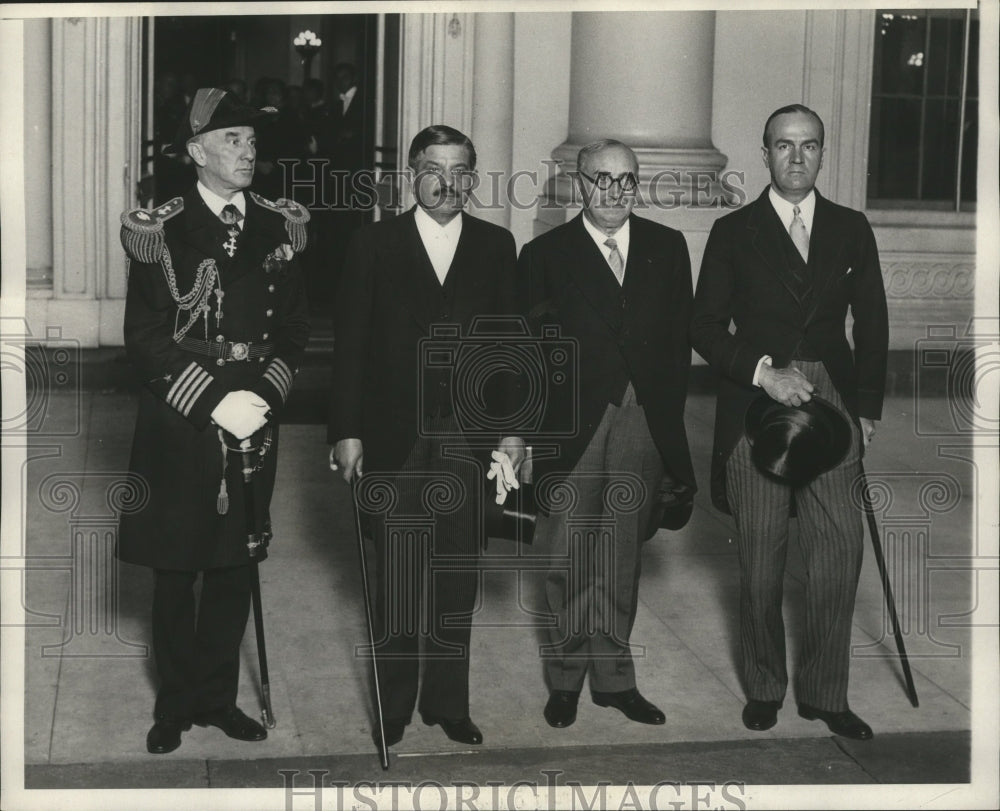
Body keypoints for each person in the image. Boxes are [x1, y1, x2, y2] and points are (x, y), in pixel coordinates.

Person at [118, 87, 310, 754]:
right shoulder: (161, 229)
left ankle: (218, 697)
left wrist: (267, 395)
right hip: (183, 414)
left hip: (253, 408)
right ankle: (173, 702)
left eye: (253, 141)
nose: (248, 150)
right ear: (198, 151)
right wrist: (210, 400)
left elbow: (294, 332)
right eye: (233, 139)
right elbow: (143, 336)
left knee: (235, 562)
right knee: (177, 566)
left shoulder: (279, 225)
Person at [690, 104, 888, 740]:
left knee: (838, 553)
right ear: (765, 153)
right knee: (761, 557)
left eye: (808, 146)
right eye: (783, 145)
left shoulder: (852, 228)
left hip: (832, 395)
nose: (796, 157)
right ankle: (766, 686)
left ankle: (826, 694)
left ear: (823, 154)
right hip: (760, 400)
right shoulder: (733, 230)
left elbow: (874, 324)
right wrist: (763, 372)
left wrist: (868, 407)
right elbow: (702, 326)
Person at [328, 125, 524, 749]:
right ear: (413, 175)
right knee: (396, 575)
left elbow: (511, 350)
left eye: (460, 169)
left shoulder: (497, 246)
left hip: (468, 439)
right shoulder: (374, 244)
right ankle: (393, 706)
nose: (446, 181)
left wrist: (515, 431)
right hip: (393, 436)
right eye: (433, 168)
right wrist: (346, 431)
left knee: (456, 575)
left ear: (473, 177)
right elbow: (350, 348)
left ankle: (447, 703)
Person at [517, 140, 696, 730]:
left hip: (640, 420)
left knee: (621, 556)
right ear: (580, 182)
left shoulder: (668, 248)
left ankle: (615, 680)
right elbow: (526, 355)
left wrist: (665, 421)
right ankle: (565, 680)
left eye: (627, 181)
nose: (615, 192)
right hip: (573, 427)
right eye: (603, 180)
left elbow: (675, 344)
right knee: (568, 556)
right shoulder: (545, 254)